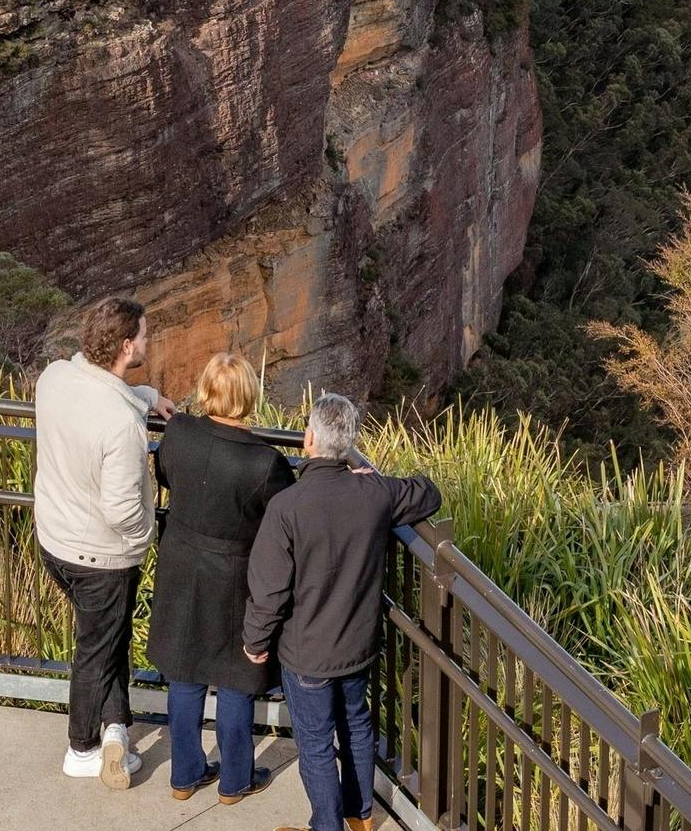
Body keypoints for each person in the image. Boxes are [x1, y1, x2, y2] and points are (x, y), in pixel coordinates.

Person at [242, 392, 442, 831]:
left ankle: (326, 827)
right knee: (355, 725)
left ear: (308, 439)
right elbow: (429, 492)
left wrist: (255, 642)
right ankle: (361, 815)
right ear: (349, 443)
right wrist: (373, 480)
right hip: (358, 646)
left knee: (315, 744)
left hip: (307, 652)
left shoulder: (287, 507)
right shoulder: (374, 492)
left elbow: (269, 587)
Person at [33, 295, 173, 788]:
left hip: (53, 541)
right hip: (101, 558)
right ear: (126, 345)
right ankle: (83, 747)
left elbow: (98, 392)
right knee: (94, 651)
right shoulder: (121, 425)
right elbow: (121, 509)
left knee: (104, 637)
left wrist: (147, 394)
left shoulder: (53, 378)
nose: (149, 341)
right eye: (145, 335)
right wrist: (143, 540)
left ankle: (117, 728)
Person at [151, 352, 294, 805]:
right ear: (248, 396)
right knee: (235, 677)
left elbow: (166, 475)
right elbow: (285, 516)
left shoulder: (179, 432)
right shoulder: (264, 462)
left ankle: (185, 775)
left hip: (180, 564)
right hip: (235, 575)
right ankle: (236, 780)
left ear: (207, 390)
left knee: (184, 670)